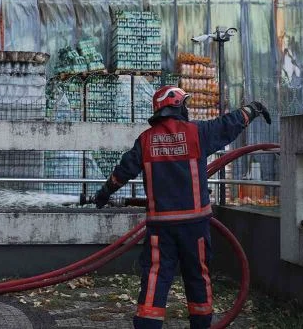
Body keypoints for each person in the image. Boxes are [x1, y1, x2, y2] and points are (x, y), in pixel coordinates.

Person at [93, 85, 271, 329]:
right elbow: (227, 124)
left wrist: (103, 194)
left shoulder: (146, 140)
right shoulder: (197, 132)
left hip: (160, 227)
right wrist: (254, 109)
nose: (186, 108)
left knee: (156, 277)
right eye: (184, 103)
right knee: (197, 276)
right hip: (194, 226)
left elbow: (122, 172)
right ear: (176, 104)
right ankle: (201, 324)